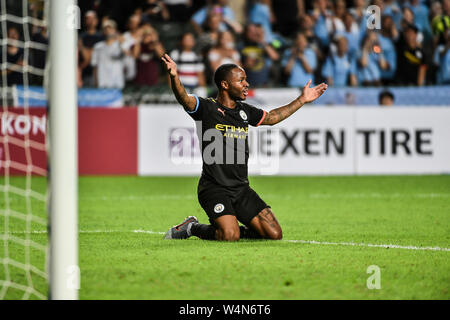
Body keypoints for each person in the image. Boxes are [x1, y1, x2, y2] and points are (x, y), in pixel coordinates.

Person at [160, 54, 327, 241]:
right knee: (229, 236)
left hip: (241, 189)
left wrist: (301, 100)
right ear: (225, 85)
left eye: (246, 80)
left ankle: (230, 229)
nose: (247, 84)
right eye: (241, 80)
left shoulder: (244, 111)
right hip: (214, 188)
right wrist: (175, 77)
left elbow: (272, 118)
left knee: (274, 234)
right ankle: (192, 227)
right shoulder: (207, 108)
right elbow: (184, 98)